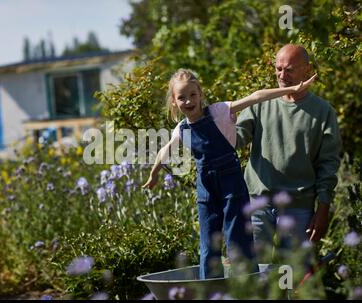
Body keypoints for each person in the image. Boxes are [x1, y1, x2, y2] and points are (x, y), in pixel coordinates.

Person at [142, 68, 317, 279]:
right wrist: (154, 174)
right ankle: (210, 287)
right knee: (208, 241)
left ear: (200, 95)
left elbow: (255, 97)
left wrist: (292, 88)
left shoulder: (218, 112)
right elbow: (165, 150)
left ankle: (246, 283)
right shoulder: (181, 129)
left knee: (237, 237)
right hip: (206, 189)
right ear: (174, 102)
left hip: (231, 185)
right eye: (182, 98)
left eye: (192, 95)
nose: (188, 101)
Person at [235, 44, 342, 266]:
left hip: (298, 206)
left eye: (290, 69)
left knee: (294, 278)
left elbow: (328, 165)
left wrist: (323, 210)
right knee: (254, 278)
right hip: (258, 204)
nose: (282, 75)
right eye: (278, 69)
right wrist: (211, 119)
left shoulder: (323, 112)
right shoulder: (260, 103)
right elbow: (235, 140)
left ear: (307, 69)